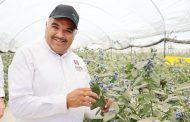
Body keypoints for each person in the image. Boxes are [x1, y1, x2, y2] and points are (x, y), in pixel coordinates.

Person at [8, 4, 112, 122]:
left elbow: (84, 108)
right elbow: (18, 106)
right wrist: (65, 102)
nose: (60, 35)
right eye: (55, 26)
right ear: (46, 25)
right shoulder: (27, 54)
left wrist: (101, 108)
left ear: (75, 34)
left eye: (68, 30)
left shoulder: (78, 62)